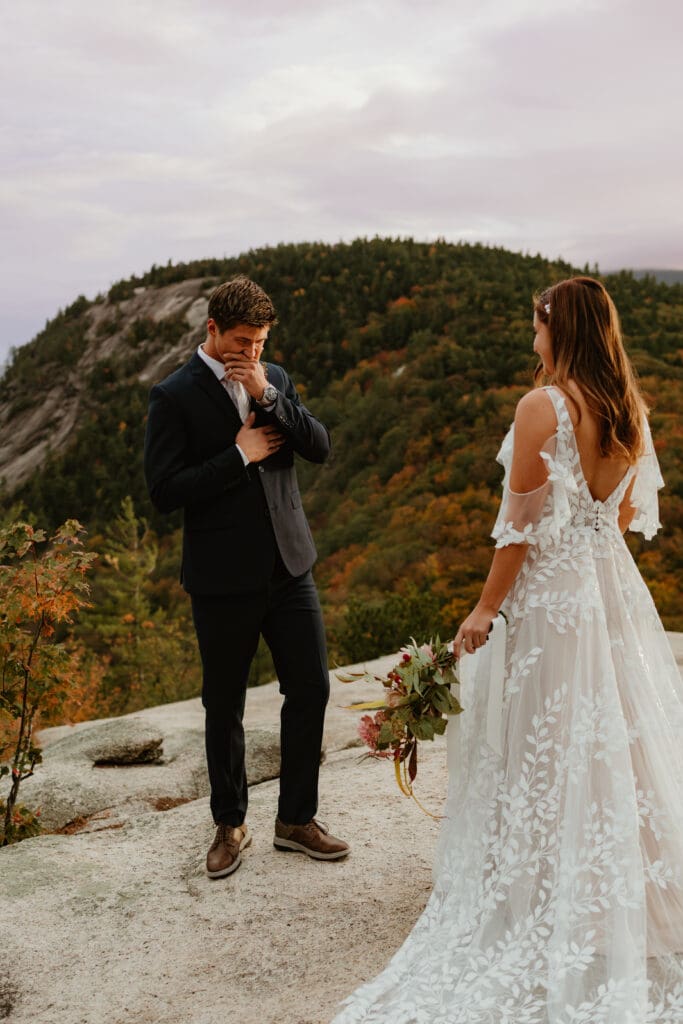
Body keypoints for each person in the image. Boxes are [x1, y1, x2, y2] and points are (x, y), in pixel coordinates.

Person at [332, 277, 682, 1022]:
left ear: (559, 329)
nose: (532, 340)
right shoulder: (628, 410)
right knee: (612, 740)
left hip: (552, 603)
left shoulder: (542, 407)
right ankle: (628, 898)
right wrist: (585, 557)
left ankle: (547, 897)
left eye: (537, 326)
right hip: (608, 591)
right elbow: (617, 517)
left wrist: (485, 608)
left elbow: (517, 525)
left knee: (542, 743)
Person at [144, 275, 349, 879]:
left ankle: (296, 820)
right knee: (223, 704)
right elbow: (164, 491)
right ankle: (230, 825)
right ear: (212, 331)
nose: (252, 351)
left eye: (260, 341)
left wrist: (268, 393)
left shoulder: (274, 377)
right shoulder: (173, 395)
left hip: (291, 566)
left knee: (310, 688)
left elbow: (320, 447)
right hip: (220, 576)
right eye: (242, 341)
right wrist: (238, 455)